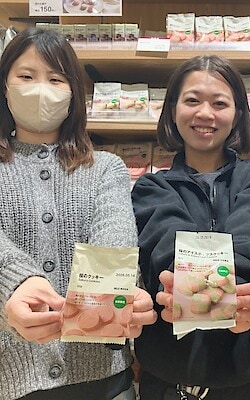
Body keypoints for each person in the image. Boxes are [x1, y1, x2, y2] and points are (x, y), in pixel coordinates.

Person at [131, 54, 250, 400]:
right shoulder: (150, 188)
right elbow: (168, 250)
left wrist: (211, 294)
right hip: (175, 385)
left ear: (238, 114)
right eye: (192, 100)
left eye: (220, 103)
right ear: (172, 110)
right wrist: (223, 297)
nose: (205, 113)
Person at [0, 27, 157, 400]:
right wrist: (14, 282)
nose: (41, 89)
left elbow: (114, 238)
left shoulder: (105, 167)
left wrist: (121, 290)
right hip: (13, 377)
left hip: (105, 378)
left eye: (56, 79)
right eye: (26, 77)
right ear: (4, 86)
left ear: (73, 93)